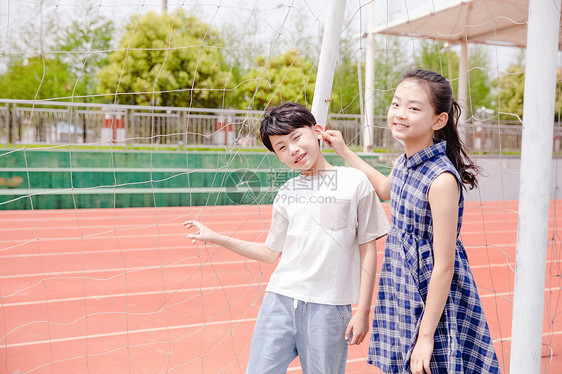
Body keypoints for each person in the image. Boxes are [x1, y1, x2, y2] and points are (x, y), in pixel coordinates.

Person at [184, 102, 389, 373]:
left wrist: (363, 310)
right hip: (279, 302)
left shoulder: (354, 181)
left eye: (296, 137)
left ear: (317, 131)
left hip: (328, 310)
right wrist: (217, 237)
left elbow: (368, 248)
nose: (292, 150)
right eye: (281, 147)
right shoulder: (286, 192)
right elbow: (271, 253)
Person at [321, 70, 501, 374]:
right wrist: (344, 151)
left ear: (438, 120)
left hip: (430, 290)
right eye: (396, 104)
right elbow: (384, 189)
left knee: (433, 364)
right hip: (400, 280)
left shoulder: (441, 179)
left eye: (414, 108)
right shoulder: (405, 162)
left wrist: (426, 336)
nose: (400, 114)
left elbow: (445, 265)